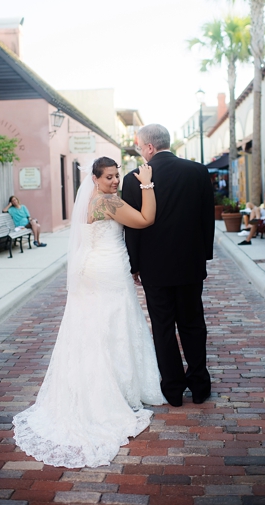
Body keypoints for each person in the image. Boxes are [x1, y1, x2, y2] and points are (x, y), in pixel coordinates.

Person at [12, 157, 164, 468]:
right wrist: (147, 182)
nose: (114, 181)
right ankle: (114, 391)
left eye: (116, 176)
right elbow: (147, 219)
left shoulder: (91, 200)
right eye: (108, 177)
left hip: (93, 266)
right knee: (115, 322)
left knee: (94, 325)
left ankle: (103, 381)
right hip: (108, 269)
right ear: (95, 178)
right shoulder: (107, 202)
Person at [123, 124, 215, 407]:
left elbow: (133, 229)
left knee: (162, 328)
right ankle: (200, 386)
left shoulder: (134, 178)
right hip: (190, 264)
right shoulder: (198, 171)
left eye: (140, 147)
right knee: (193, 324)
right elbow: (206, 218)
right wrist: (204, 255)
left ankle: (173, 390)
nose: (141, 152)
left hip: (154, 267)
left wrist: (134, 265)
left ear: (149, 147)